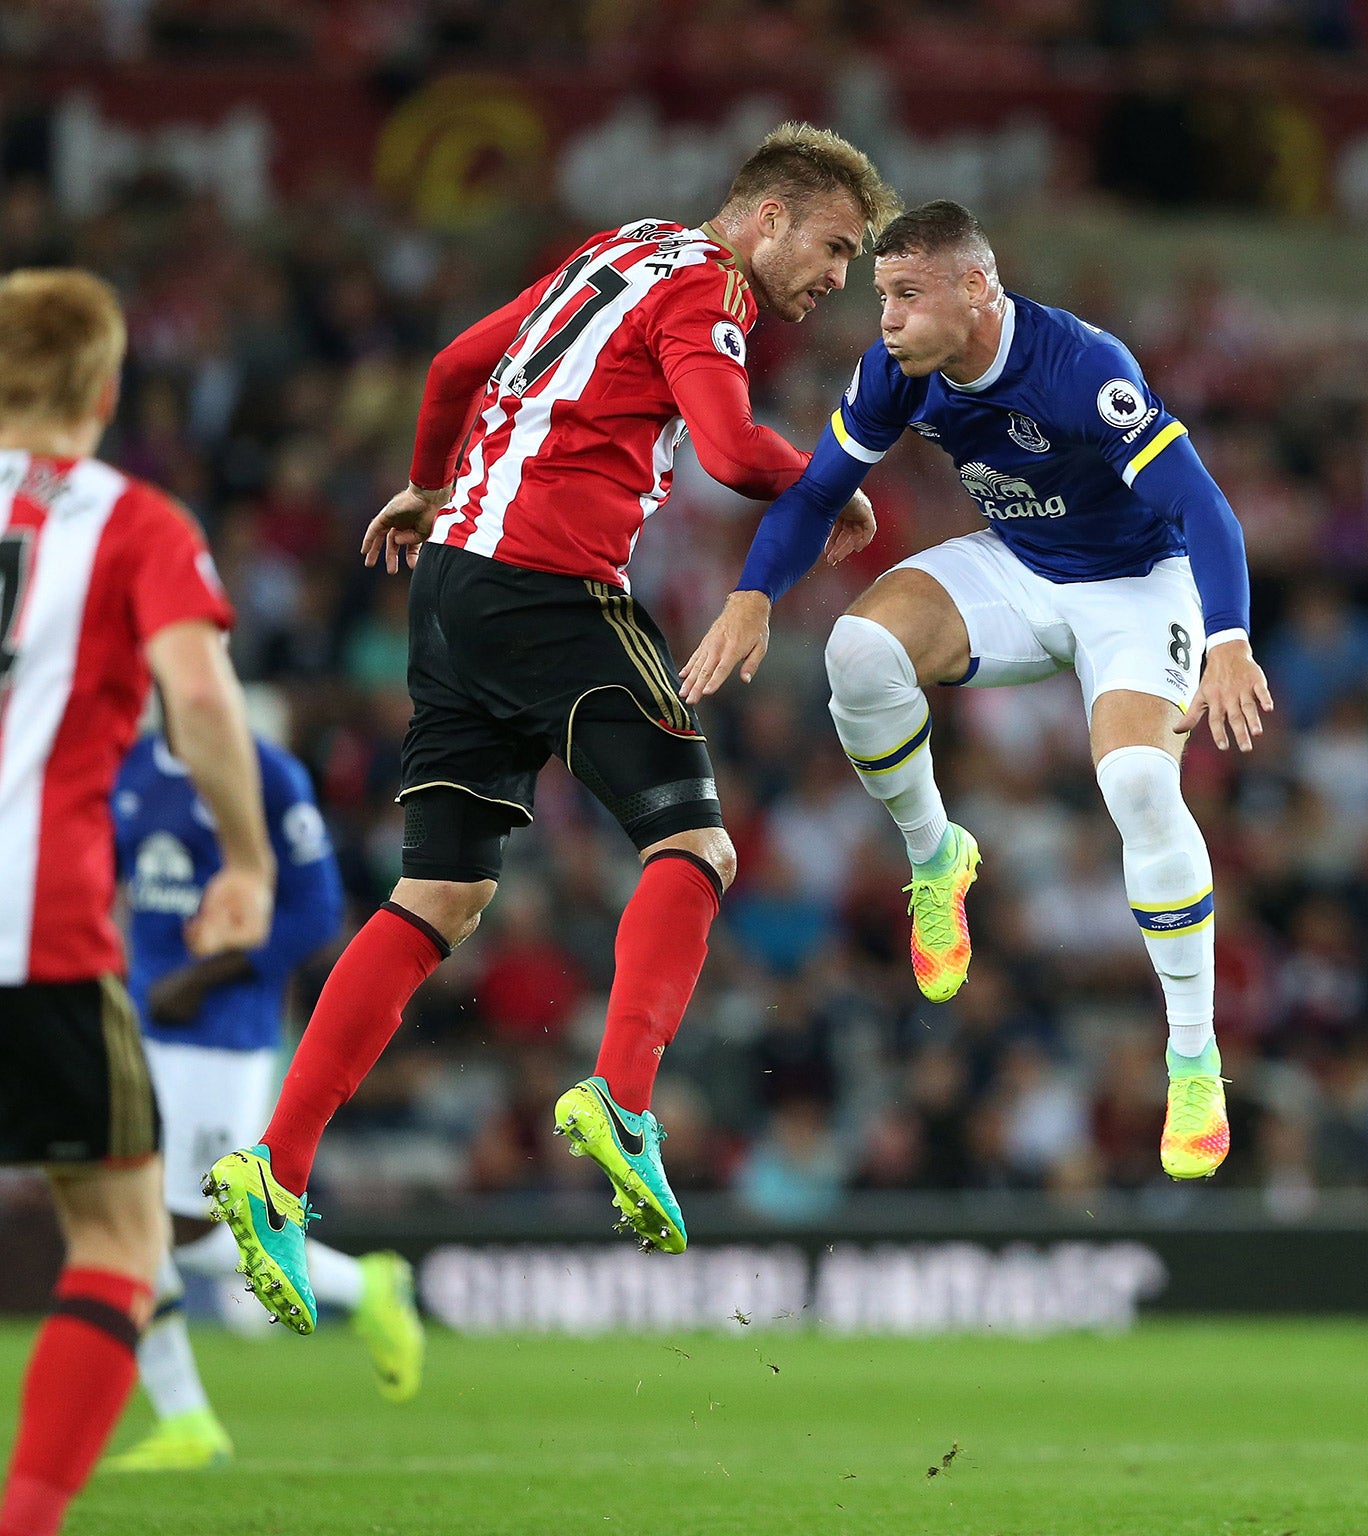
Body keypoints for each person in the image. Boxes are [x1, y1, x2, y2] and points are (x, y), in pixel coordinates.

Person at [205, 123, 898, 1335]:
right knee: (696, 844)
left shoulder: (618, 249)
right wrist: (823, 483)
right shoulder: (709, 284)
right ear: (769, 216)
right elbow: (732, 450)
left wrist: (429, 482)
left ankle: (277, 1167)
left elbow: (450, 369)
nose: (836, 277)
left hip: (454, 587)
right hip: (552, 587)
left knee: (437, 899)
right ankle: (623, 1098)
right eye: (834, 247)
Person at [684, 201, 1271, 1182]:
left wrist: (1228, 638)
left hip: (1133, 585)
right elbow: (819, 491)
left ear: (974, 290)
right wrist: (751, 597)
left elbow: (1198, 502)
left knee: (1136, 787)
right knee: (856, 654)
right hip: (1018, 567)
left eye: (907, 296)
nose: (887, 319)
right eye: (882, 296)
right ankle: (934, 859)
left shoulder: (1082, 366)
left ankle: (1192, 1057)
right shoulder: (895, 374)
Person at [0, 269, 271, 1536]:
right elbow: (201, 699)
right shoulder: (133, 522)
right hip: (35, 921)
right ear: (106, 390)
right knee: (115, 1233)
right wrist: (246, 859)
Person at [103, 719, 425, 1472]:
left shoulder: (267, 773)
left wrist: (206, 976)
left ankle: (363, 1286)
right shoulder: (130, 769)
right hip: (140, 1025)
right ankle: (187, 1420)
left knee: (178, 1228)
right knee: (132, 1216)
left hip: (227, 1036)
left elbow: (316, 914)